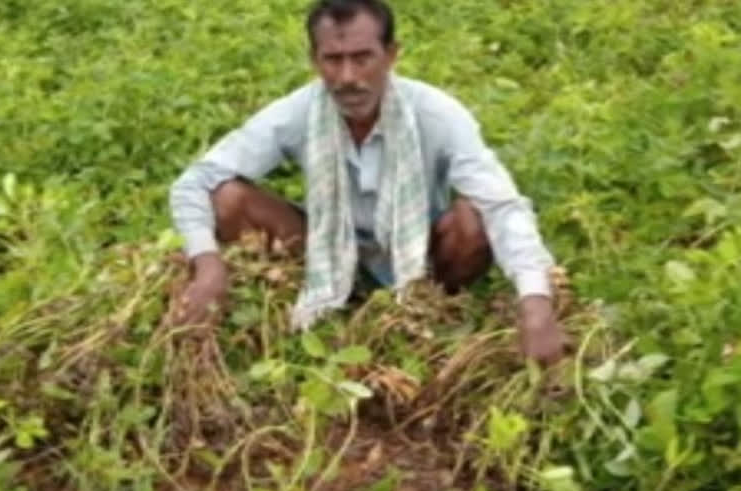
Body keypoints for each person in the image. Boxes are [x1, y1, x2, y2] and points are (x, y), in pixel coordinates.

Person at [169, 0, 567, 364]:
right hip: (323, 247)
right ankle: (328, 299)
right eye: (333, 60)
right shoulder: (297, 113)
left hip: (421, 257)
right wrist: (207, 265)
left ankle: (427, 307)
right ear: (314, 60)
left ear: (391, 55)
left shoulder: (436, 115)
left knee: (474, 218)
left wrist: (535, 303)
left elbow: (503, 204)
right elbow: (195, 182)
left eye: (362, 59)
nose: (347, 77)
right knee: (227, 198)